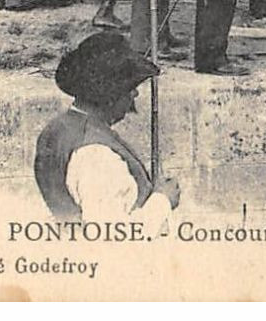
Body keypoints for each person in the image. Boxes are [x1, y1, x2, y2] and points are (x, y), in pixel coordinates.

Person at [33, 32, 180, 220]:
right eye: (128, 88)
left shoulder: (57, 128)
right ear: (109, 94)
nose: (134, 94)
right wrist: (163, 201)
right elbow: (109, 239)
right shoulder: (97, 155)